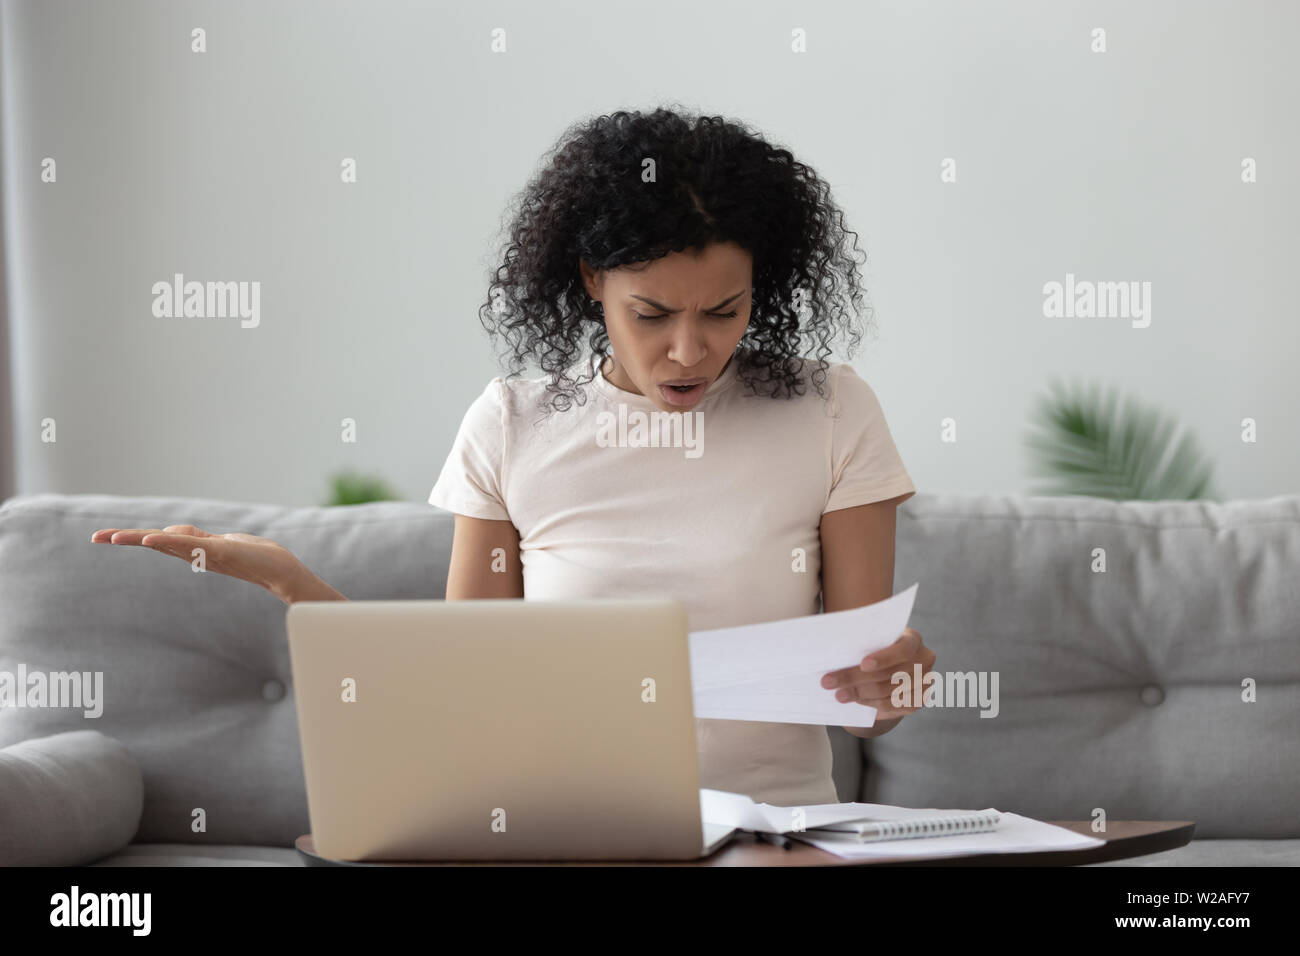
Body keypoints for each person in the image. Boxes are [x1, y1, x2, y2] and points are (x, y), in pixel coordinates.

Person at [92, 104, 936, 808]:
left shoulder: (830, 410)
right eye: (651, 314)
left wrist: (891, 684)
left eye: (724, 310)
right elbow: (469, 693)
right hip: (561, 834)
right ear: (591, 281)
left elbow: (868, 710)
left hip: (772, 834)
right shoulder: (512, 424)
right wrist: (290, 580)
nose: (689, 350)